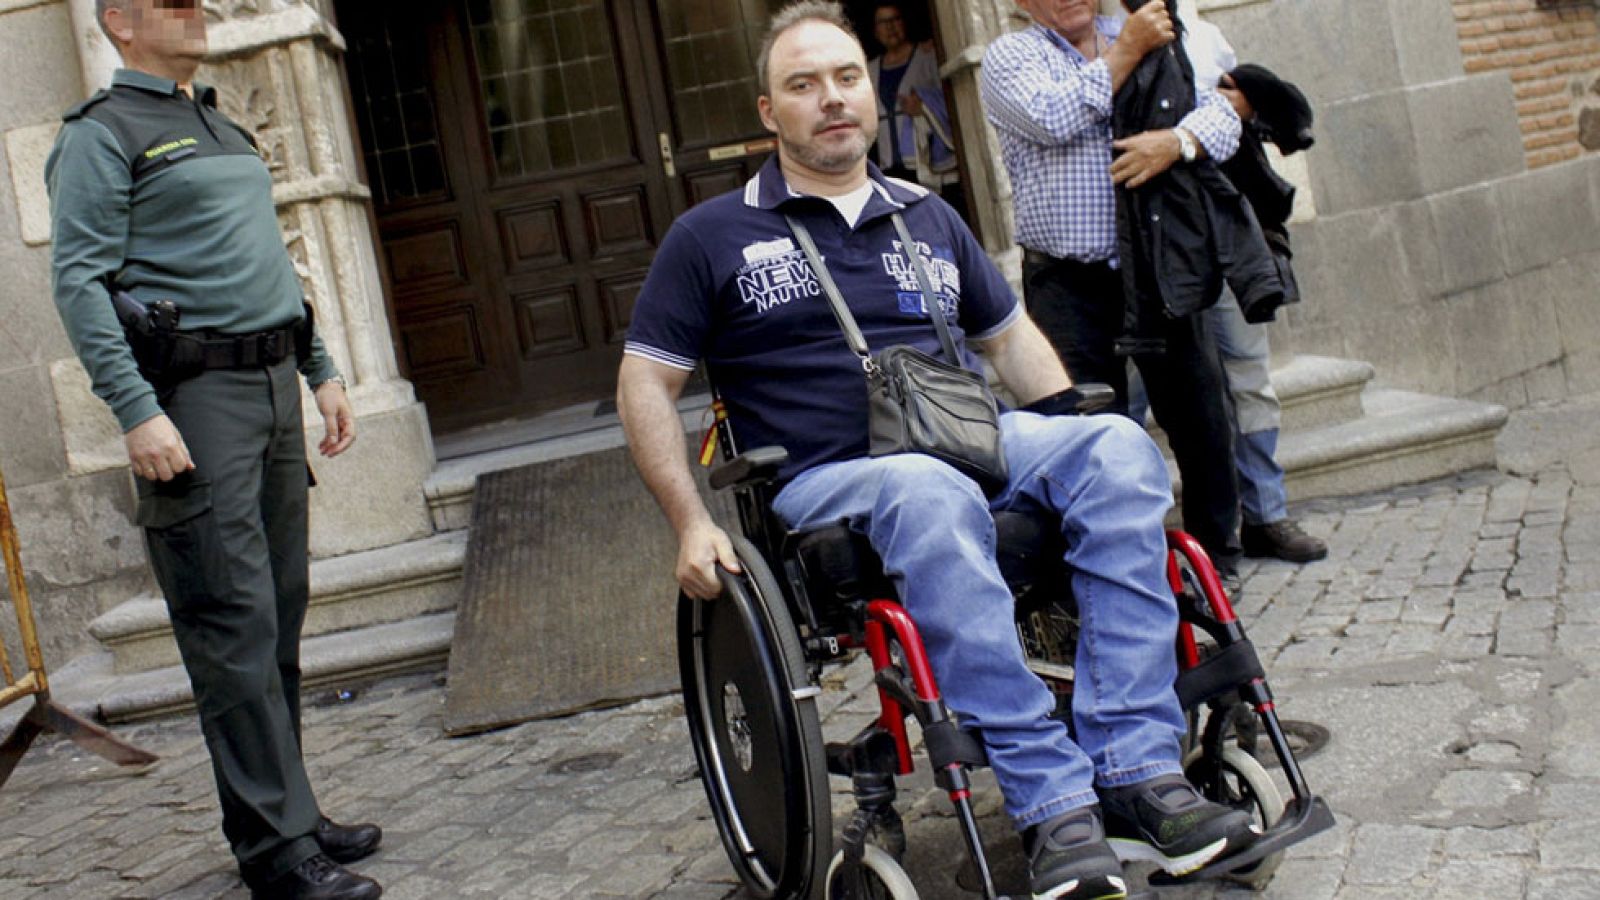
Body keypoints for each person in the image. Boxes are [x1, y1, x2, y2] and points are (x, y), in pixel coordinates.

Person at [618, 4, 1257, 898]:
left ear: (869, 97)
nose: (831, 100)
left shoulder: (928, 213)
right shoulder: (712, 236)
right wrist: (689, 522)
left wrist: (1069, 425)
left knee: (1115, 449)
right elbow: (645, 385)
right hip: (829, 477)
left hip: (970, 437)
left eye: (846, 79)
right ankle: (1051, 804)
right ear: (770, 113)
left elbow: (1009, 340)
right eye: (802, 86)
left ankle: (1132, 764)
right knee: (925, 490)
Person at [46, 2, 380, 898]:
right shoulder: (102, 135)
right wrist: (137, 410)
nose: (193, 7)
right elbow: (78, 280)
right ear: (117, 22)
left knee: (274, 616)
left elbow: (265, 257)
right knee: (229, 625)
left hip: (269, 385)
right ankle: (277, 855)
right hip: (194, 400)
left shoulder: (217, 122)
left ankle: (292, 815)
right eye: (168, 0)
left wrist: (322, 367)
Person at [980, 0, 1249, 580]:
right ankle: (1114, 568)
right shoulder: (1011, 56)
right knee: (1083, 432)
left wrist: (1175, 142)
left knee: (1202, 416)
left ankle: (1214, 564)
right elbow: (1052, 117)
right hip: (1066, 279)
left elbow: (1226, 117)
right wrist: (1127, 51)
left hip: (1158, 266)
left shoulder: (1148, 35)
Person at [1184, 6, 1327, 564]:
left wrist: (1236, 103)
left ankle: (1266, 515)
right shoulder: (1106, 41)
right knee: (1150, 390)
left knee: (1249, 378)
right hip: (1155, 242)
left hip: (1223, 233)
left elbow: (1234, 111)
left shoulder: (1204, 34)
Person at [868, 3, 963, 213]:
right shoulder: (869, 70)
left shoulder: (927, 56)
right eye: (883, 22)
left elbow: (954, 98)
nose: (890, 27)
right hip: (889, 167)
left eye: (895, 19)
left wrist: (925, 106)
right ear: (875, 30)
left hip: (925, 163)